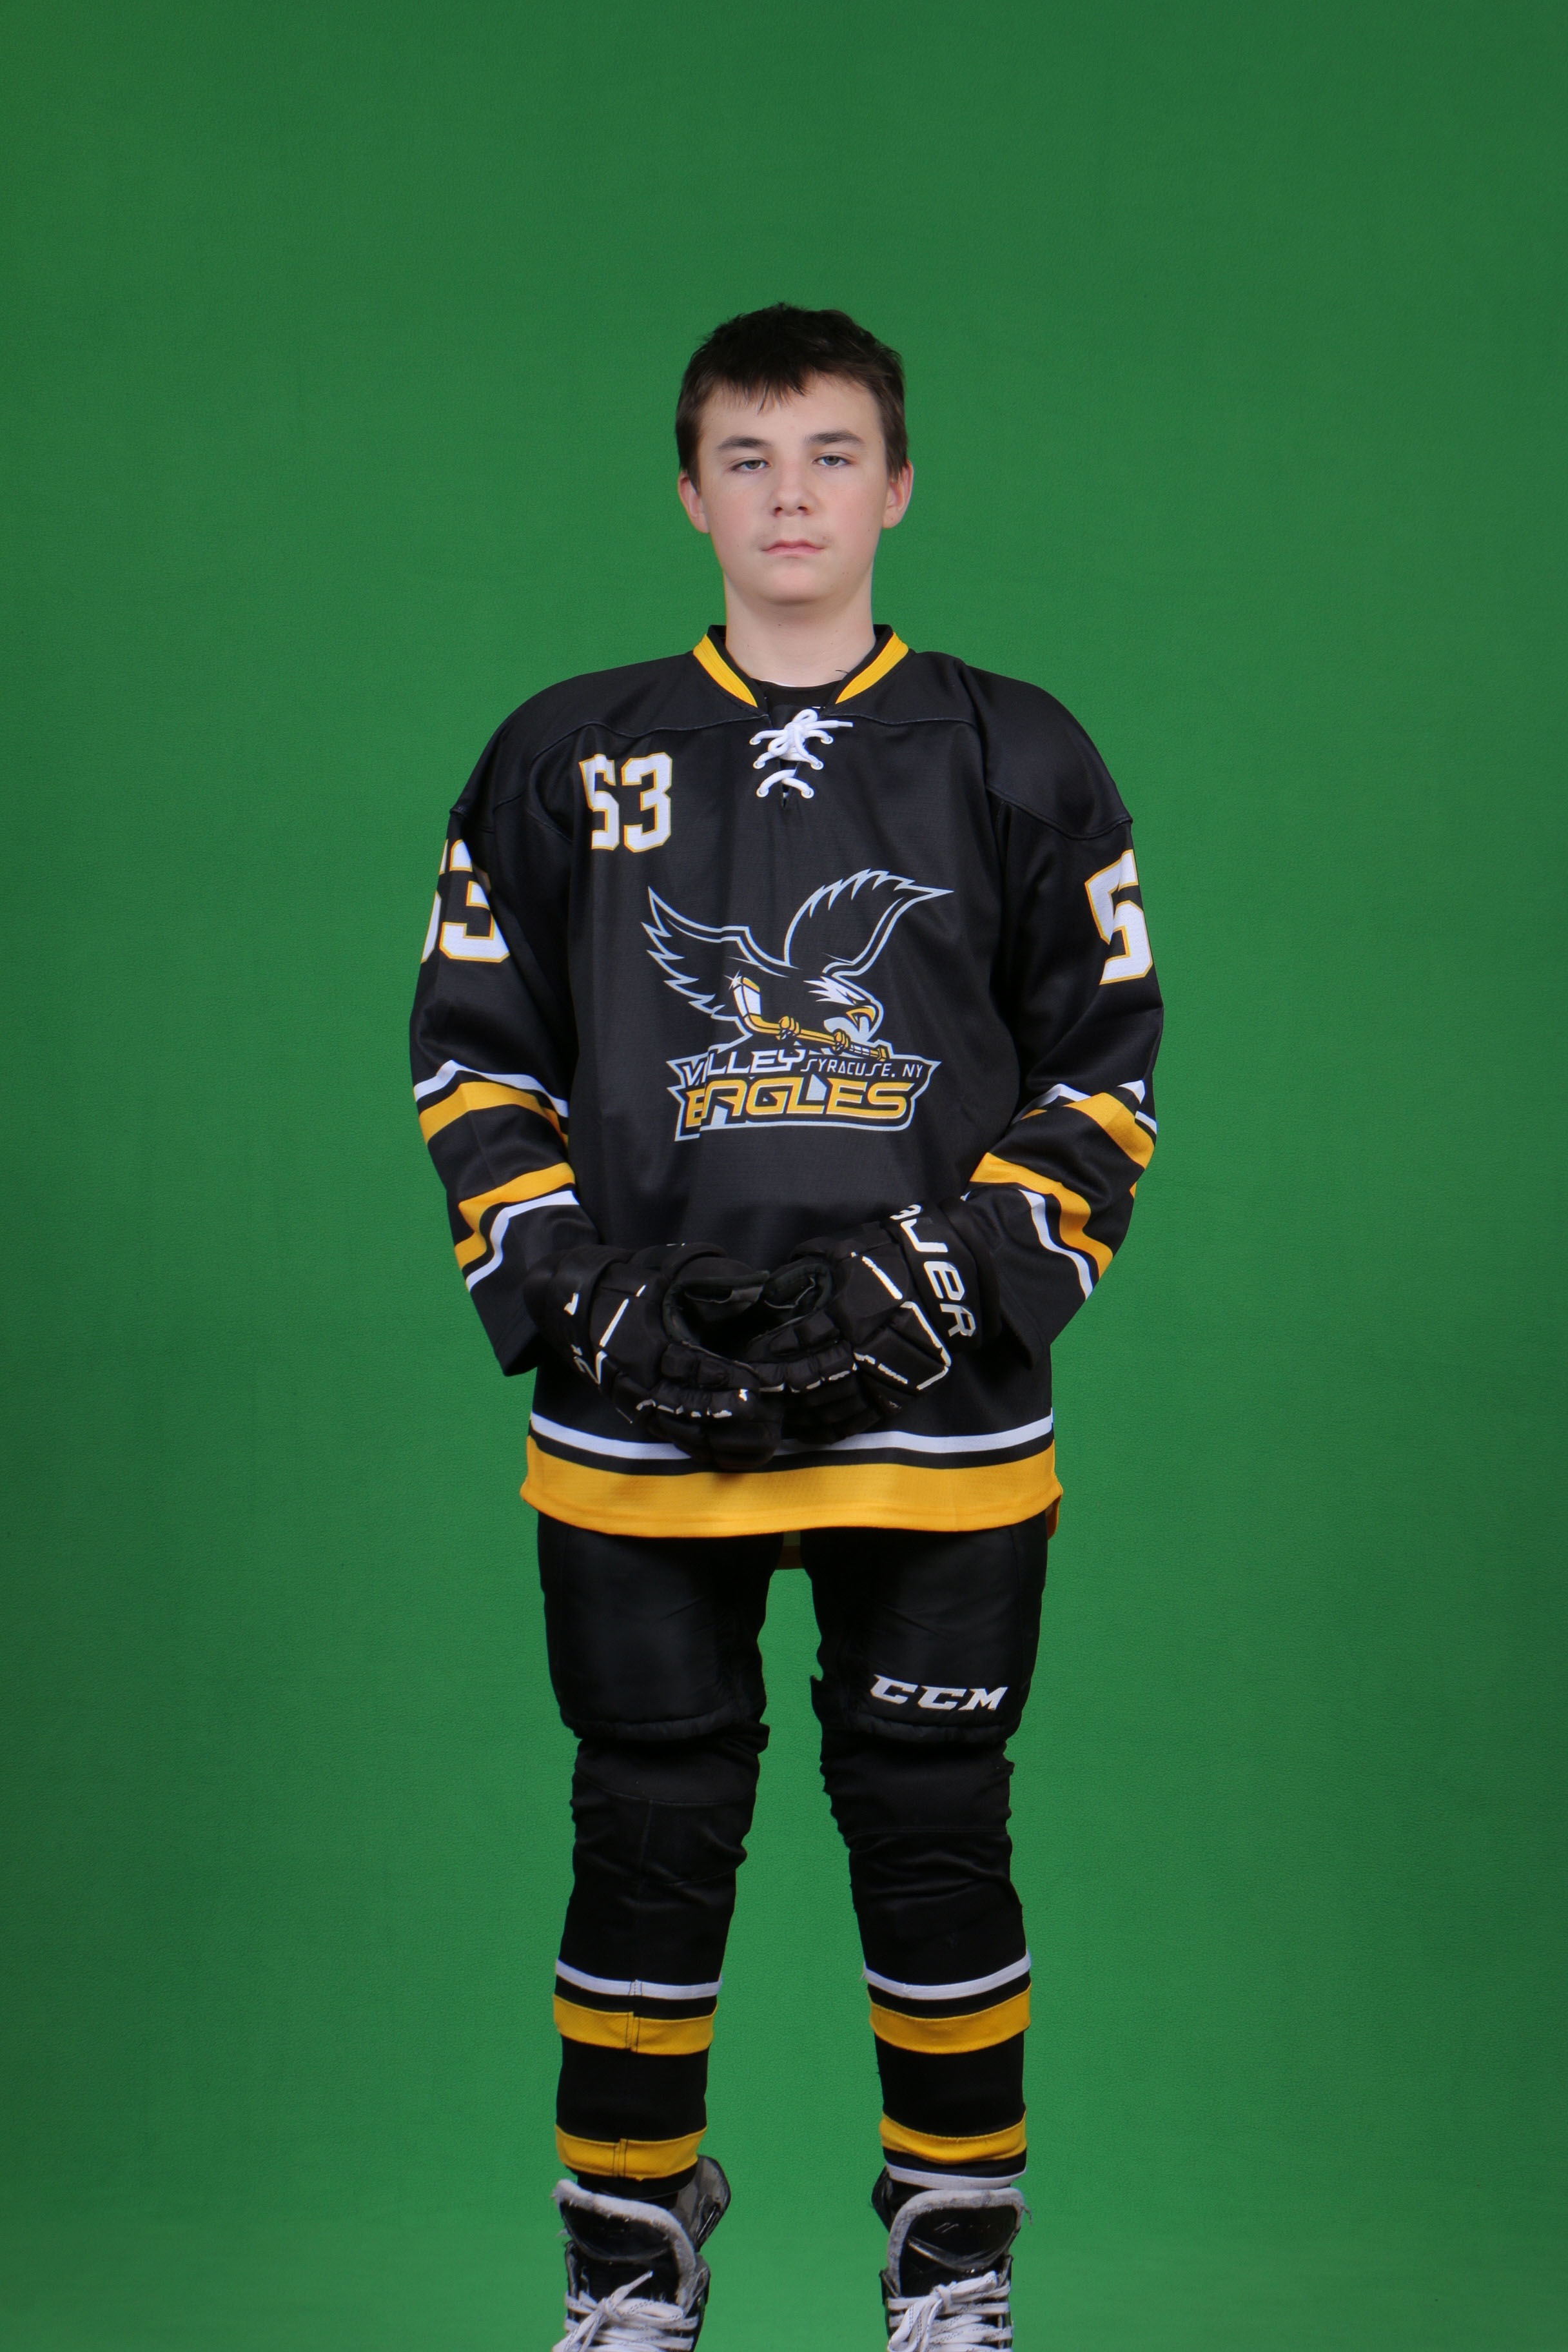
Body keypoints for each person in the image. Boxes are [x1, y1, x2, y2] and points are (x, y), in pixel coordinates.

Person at [410, 302, 1162, 2349]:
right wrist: (574, 1285)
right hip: (639, 1433)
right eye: (748, 459)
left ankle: (954, 2277)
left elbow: (1106, 1072)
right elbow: (474, 1058)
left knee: (934, 1838)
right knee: (648, 1842)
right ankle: (626, 2279)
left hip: (944, 1434)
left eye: (831, 454)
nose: (792, 497)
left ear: (898, 485)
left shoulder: (1019, 752)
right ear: (691, 494)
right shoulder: (566, 756)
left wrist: (959, 1277)